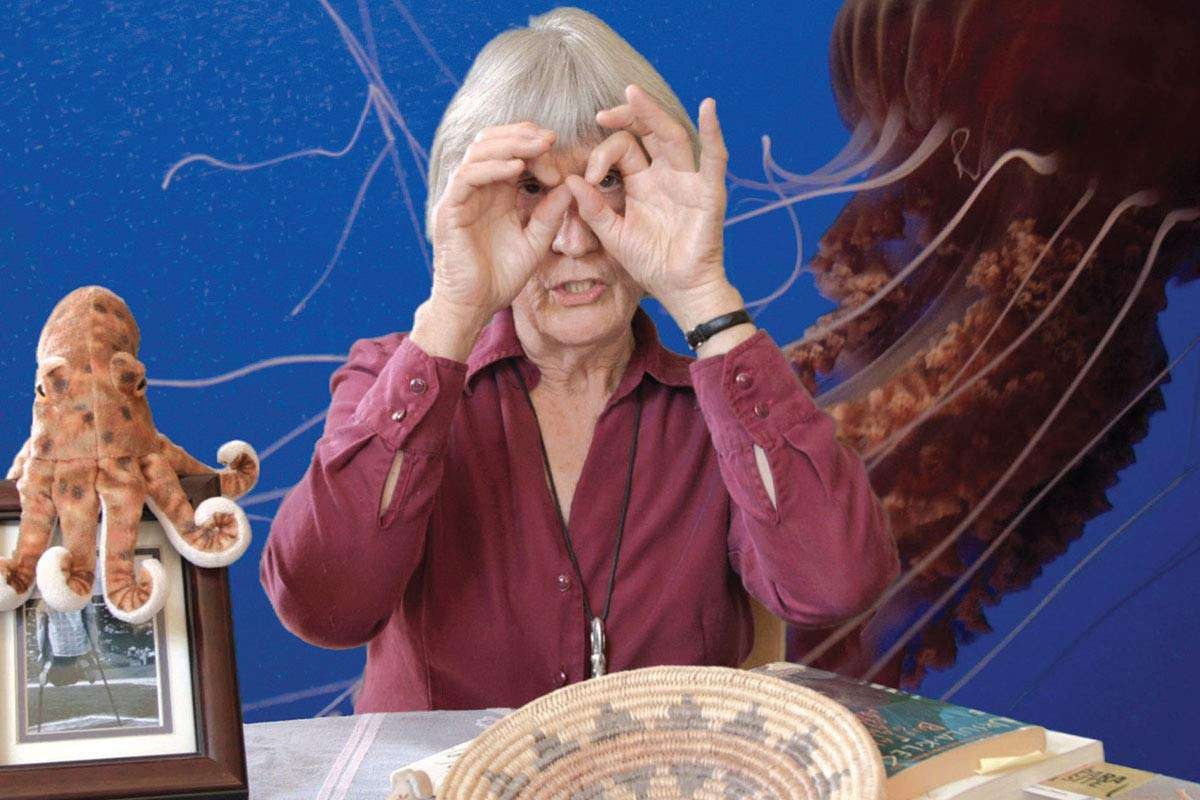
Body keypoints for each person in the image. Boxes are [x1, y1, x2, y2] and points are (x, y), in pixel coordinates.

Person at [261, 6, 900, 712]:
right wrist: (453, 307)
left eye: (610, 182)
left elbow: (837, 583)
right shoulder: (388, 377)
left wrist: (701, 292)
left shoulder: (726, 399)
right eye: (531, 189)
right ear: (464, 200)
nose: (575, 239)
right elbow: (322, 607)